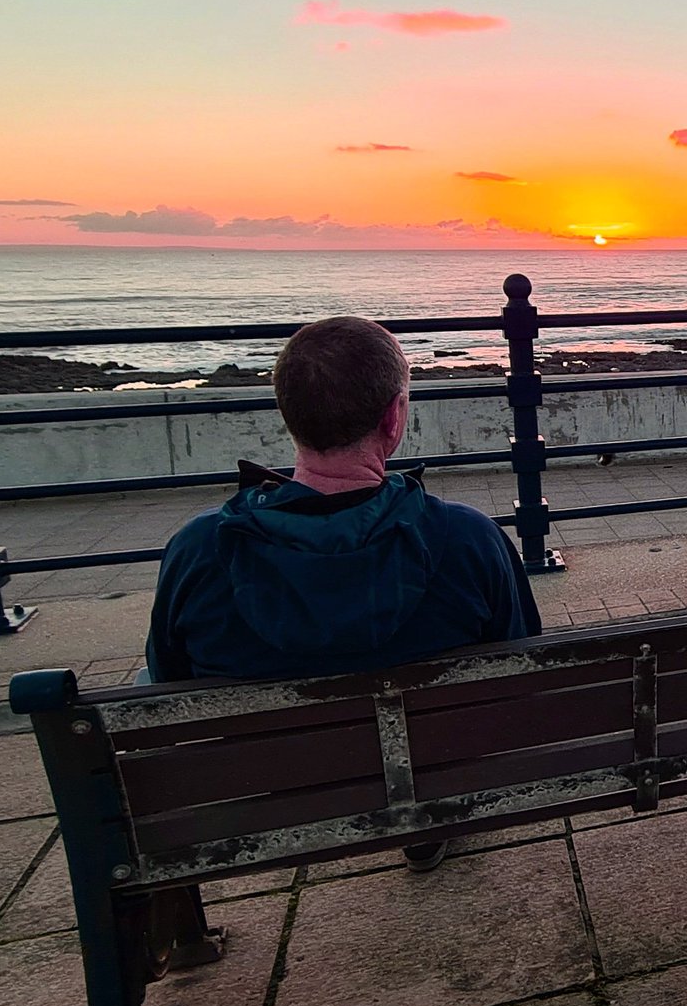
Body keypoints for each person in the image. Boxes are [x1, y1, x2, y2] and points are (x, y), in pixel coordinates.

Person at [146, 315, 541, 869]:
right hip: (443, 761)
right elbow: (521, 668)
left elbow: (169, 683)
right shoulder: (467, 538)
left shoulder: (200, 550)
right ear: (394, 415)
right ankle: (421, 815)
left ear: (288, 416)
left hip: (262, 791)